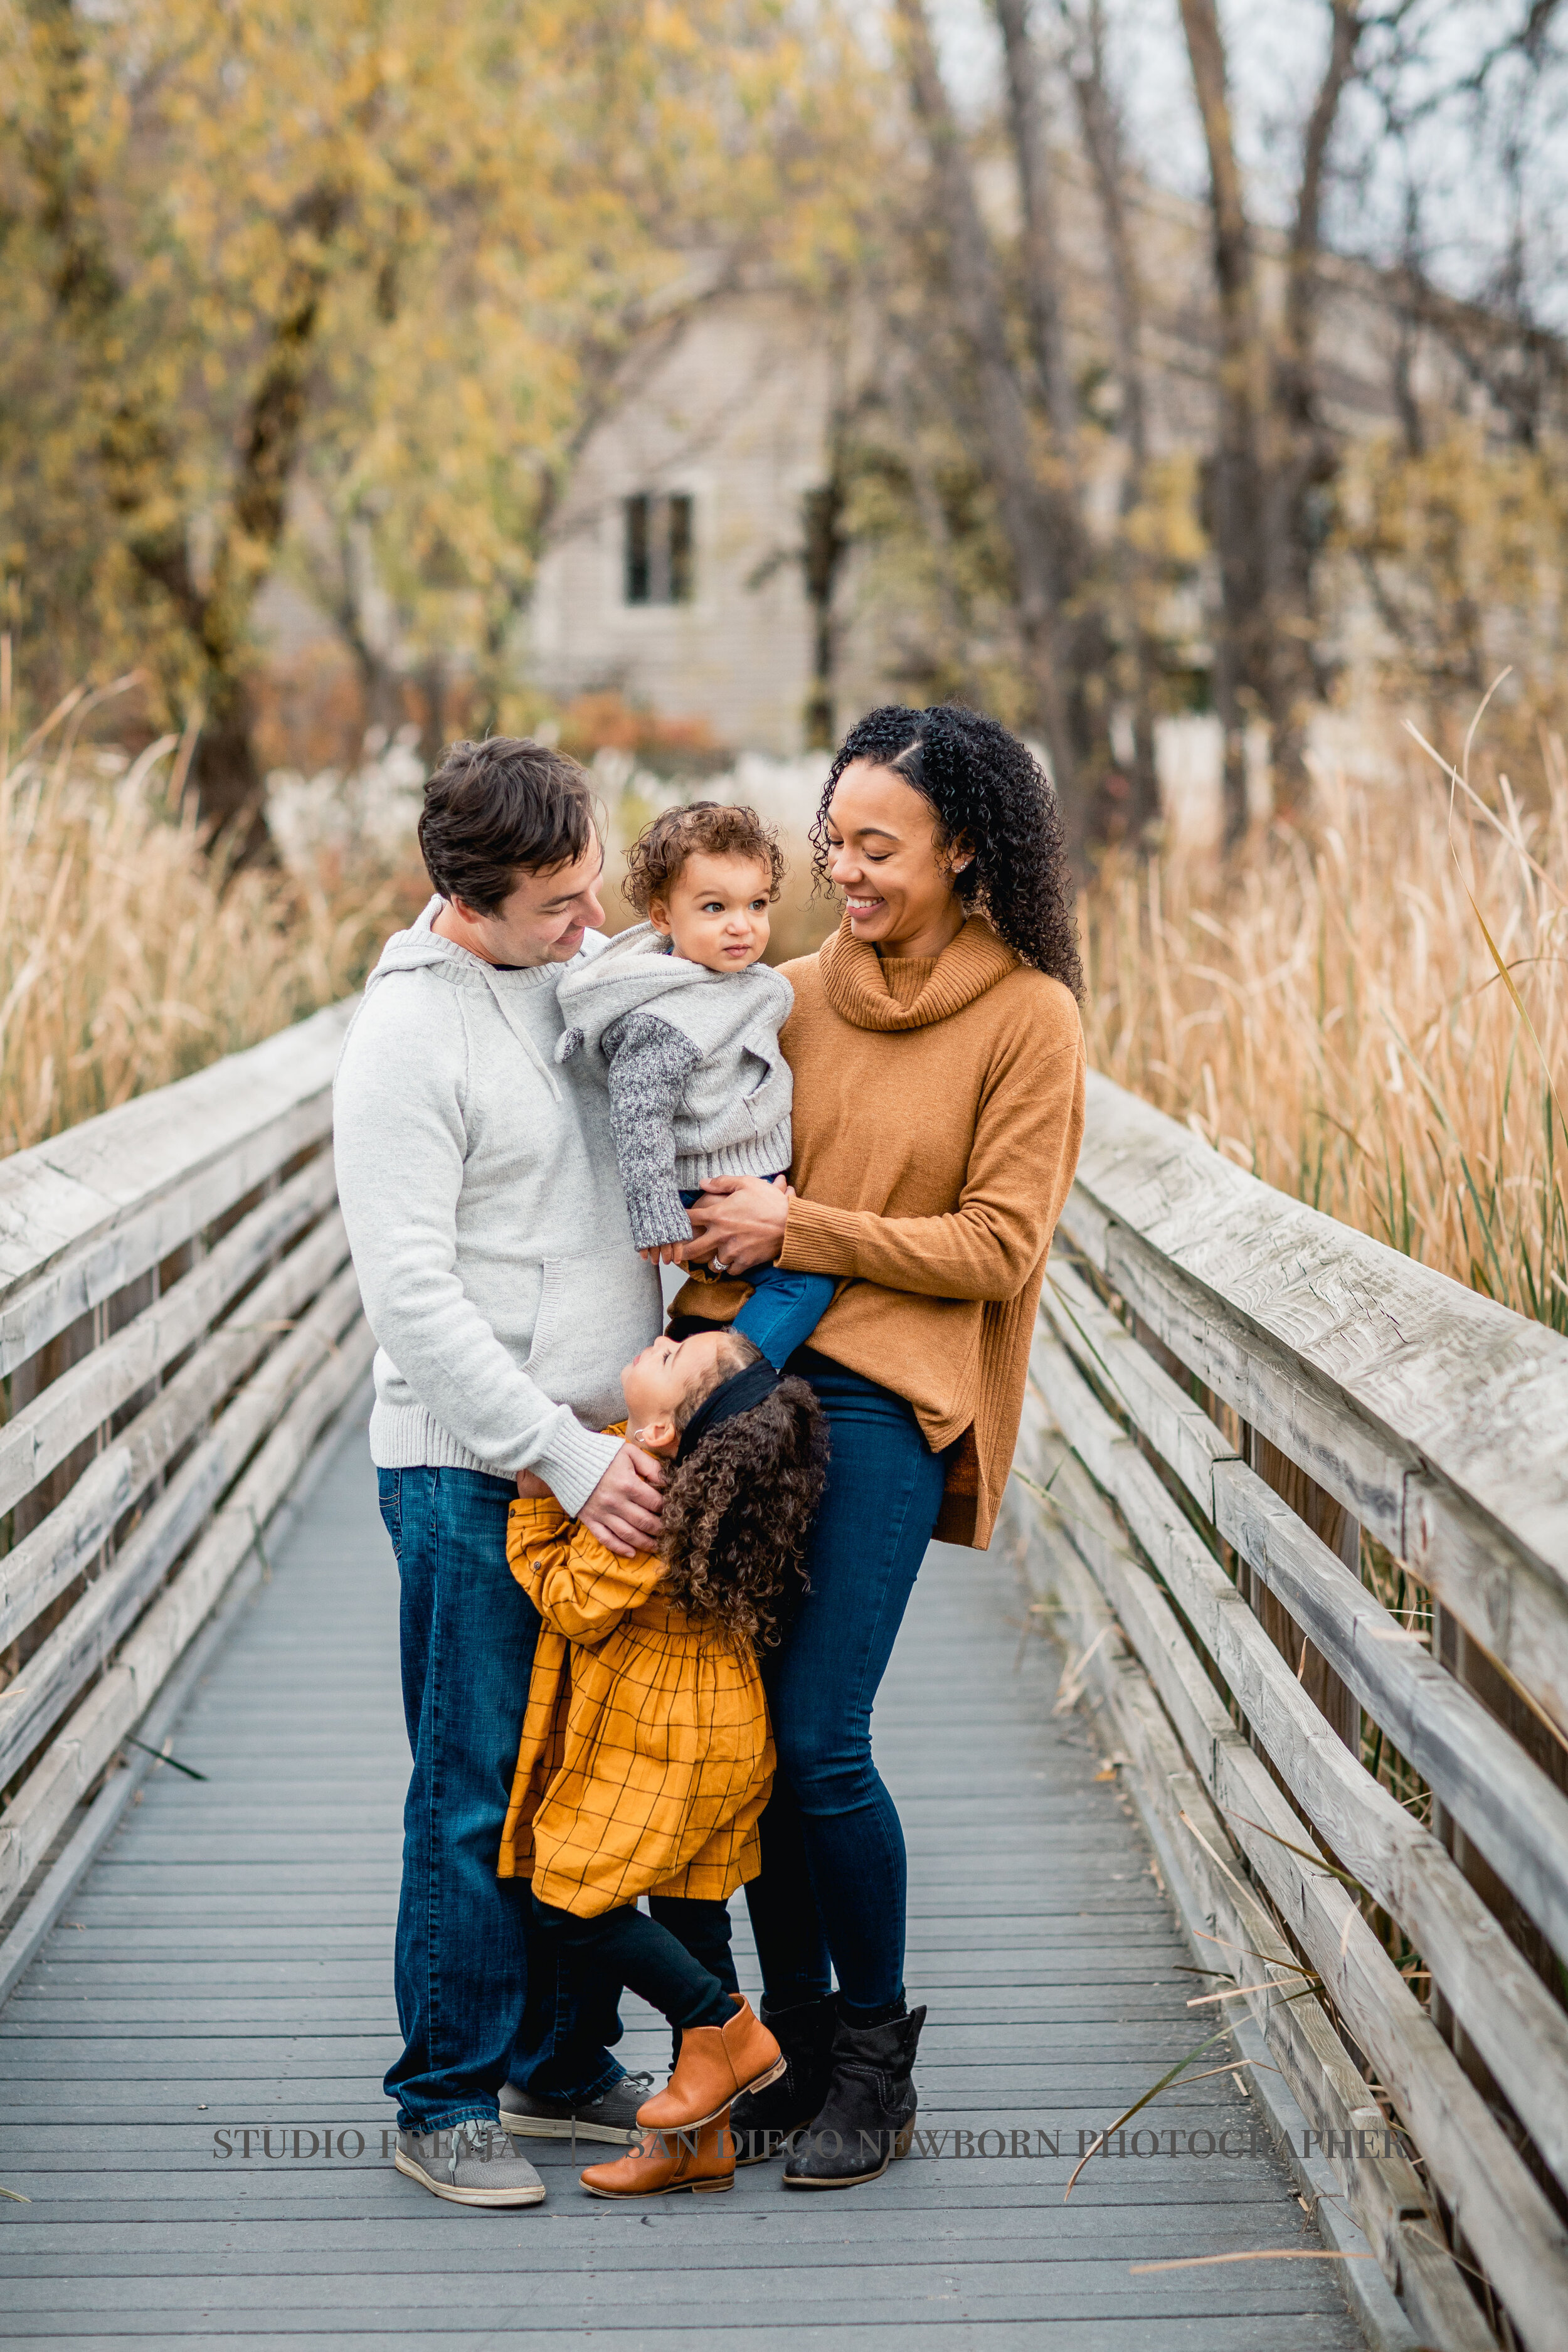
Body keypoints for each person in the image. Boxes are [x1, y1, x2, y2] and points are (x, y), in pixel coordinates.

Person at [681, 703, 1088, 2188]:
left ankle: (874, 2061)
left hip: (891, 1397)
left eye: (877, 845)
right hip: (748, 1391)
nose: (842, 870)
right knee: (749, 1744)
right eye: (831, 840)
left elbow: (998, 1244)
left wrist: (806, 1226)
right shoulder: (774, 993)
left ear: (965, 846)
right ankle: (784, 2040)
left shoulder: (1028, 1015)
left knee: (817, 1736)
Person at [333, 737, 670, 2210]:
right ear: (464, 899)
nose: (587, 922)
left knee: (579, 1786)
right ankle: (441, 2095)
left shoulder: (578, 975)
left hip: (605, 1455)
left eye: (593, 885)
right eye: (556, 904)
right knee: (473, 1787)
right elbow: (411, 1294)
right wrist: (563, 1453)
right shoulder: (412, 1036)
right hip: (479, 1467)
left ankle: (555, 2060)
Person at [500, 1323, 829, 2200]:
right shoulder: (710, 1490)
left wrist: (537, 1500)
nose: (658, 1337)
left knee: (567, 1899)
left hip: (661, 1737)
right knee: (694, 1919)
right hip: (725, 1730)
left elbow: (569, 1602)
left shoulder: (643, 1501)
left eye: (673, 1355)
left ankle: (722, 2024)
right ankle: (697, 2142)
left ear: (660, 1435)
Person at [554, 799, 835, 1370]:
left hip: (739, 1177)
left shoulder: (730, 984)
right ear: (663, 918)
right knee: (805, 1284)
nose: (742, 925)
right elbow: (638, 1113)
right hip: (700, 1191)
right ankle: (723, 1384)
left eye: (756, 905)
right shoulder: (669, 1015)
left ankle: (710, 1363)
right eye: (715, 907)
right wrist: (656, 1207)